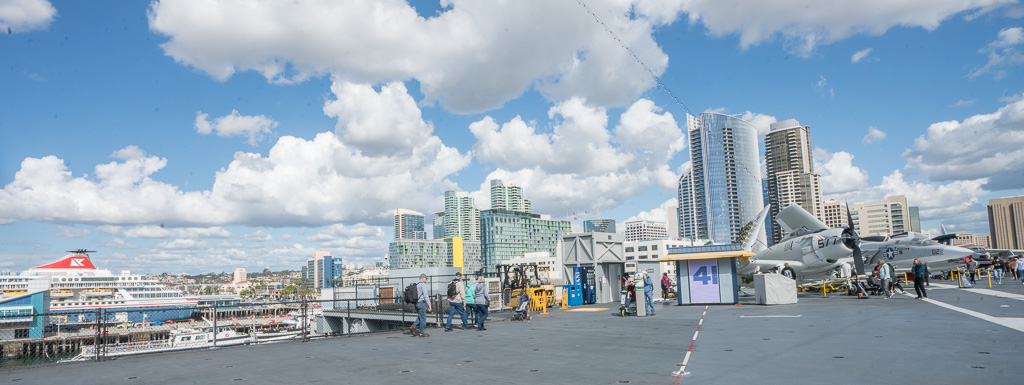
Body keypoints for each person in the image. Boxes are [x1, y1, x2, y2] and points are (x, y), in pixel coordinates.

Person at [411, 273, 432, 338]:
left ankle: (413, 327)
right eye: (426, 278)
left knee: (420, 316)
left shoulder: (416, 285)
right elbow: (425, 295)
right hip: (421, 303)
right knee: (423, 318)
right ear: (422, 278)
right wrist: (429, 305)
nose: (426, 280)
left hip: (416, 303)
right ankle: (421, 332)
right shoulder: (423, 285)